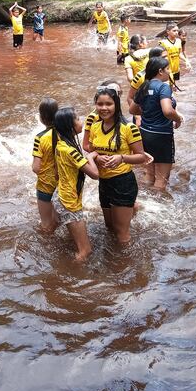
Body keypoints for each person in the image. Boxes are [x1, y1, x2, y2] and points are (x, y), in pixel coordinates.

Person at [88, 87, 152, 243]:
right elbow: (92, 149)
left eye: (108, 104)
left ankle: (126, 265)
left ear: (116, 104)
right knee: (109, 227)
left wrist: (121, 158)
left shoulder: (128, 128)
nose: (104, 108)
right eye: (100, 104)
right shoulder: (95, 127)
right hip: (104, 182)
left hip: (123, 182)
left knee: (121, 234)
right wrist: (97, 158)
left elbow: (141, 157)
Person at [51, 106, 100, 261]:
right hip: (69, 202)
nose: (82, 121)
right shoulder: (70, 151)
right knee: (85, 251)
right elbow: (95, 174)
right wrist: (91, 157)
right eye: (78, 119)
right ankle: (73, 281)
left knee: (72, 242)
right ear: (69, 126)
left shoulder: (61, 144)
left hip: (61, 196)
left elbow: (59, 172)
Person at [129, 56, 184, 190]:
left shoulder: (144, 86)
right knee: (161, 180)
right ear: (160, 71)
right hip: (161, 135)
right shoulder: (163, 87)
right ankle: (155, 207)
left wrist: (148, 112)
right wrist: (178, 119)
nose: (169, 71)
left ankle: (144, 195)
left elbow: (132, 109)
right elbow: (167, 111)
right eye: (167, 69)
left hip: (145, 133)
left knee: (149, 174)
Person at [31, 98, 59, 233]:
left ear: (42, 118)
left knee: (47, 225)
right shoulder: (66, 133)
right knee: (61, 220)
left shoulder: (40, 138)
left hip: (46, 185)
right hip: (65, 183)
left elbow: (36, 167)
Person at [82, 79, 123, 153]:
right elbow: (85, 145)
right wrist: (101, 154)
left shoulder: (116, 113)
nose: (117, 96)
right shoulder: (93, 117)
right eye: (114, 92)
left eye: (119, 93)